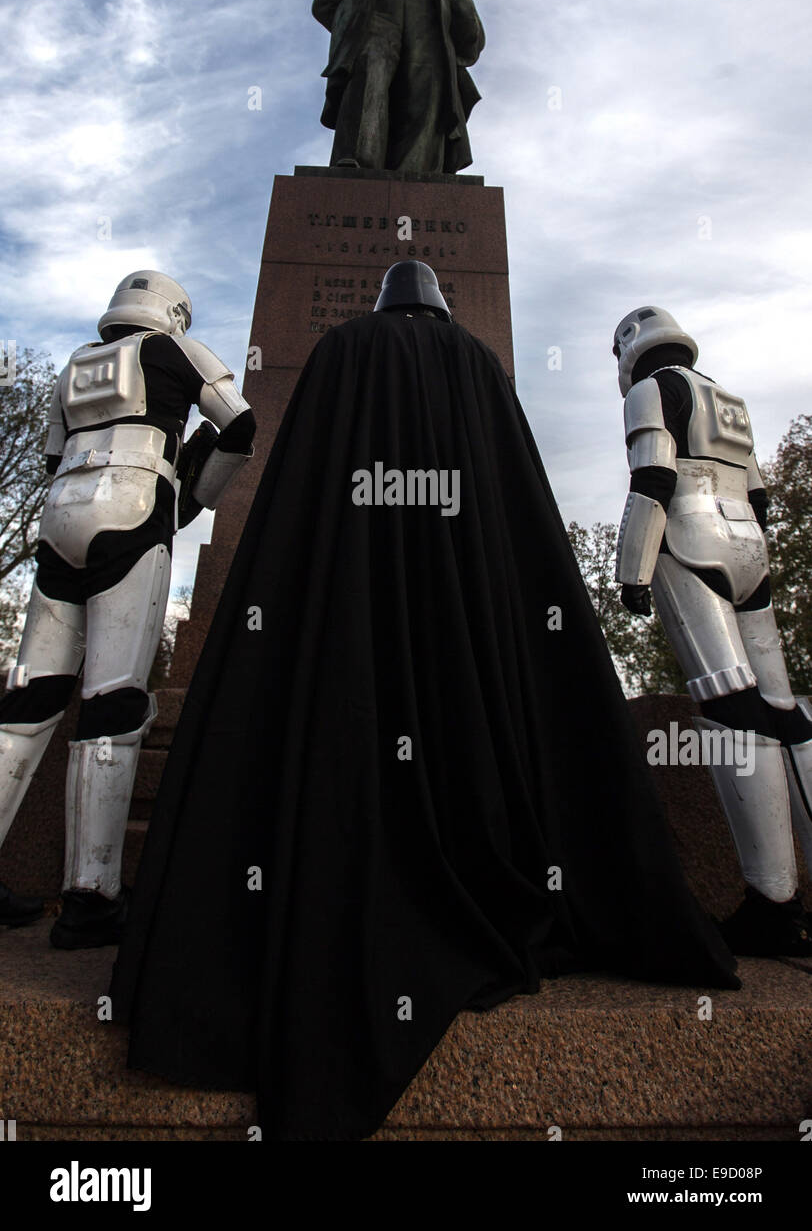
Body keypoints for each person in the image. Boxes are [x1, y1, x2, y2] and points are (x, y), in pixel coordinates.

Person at [111, 263, 736, 1141]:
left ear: (381, 303)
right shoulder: (479, 365)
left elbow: (298, 490)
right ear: (443, 304)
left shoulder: (340, 349)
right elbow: (513, 512)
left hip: (346, 618)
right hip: (469, 630)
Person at [0, 270, 255, 947]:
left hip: (60, 518)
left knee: (28, 700)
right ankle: (91, 897)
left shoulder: (76, 365)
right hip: (135, 507)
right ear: (172, 312)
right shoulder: (172, 349)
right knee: (113, 702)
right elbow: (240, 423)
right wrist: (196, 497)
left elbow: (52, 455)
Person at [612, 305, 812, 956]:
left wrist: (633, 569)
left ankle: (773, 902)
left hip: (688, 537)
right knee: (787, 713)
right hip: (749, 547)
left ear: (630, 350)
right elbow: (761, 496)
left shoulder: (651, 391)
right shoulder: (731, 401)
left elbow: (653, 477)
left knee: (730, 709)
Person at [312, 0, 485, 172]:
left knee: (426, 92)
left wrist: (466, 17)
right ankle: (356, 161)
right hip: (376, 23)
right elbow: (325, 1)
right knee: (368, 75)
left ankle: (417, 172)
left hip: (429, 31)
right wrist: (354, 27)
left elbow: (471, 43)